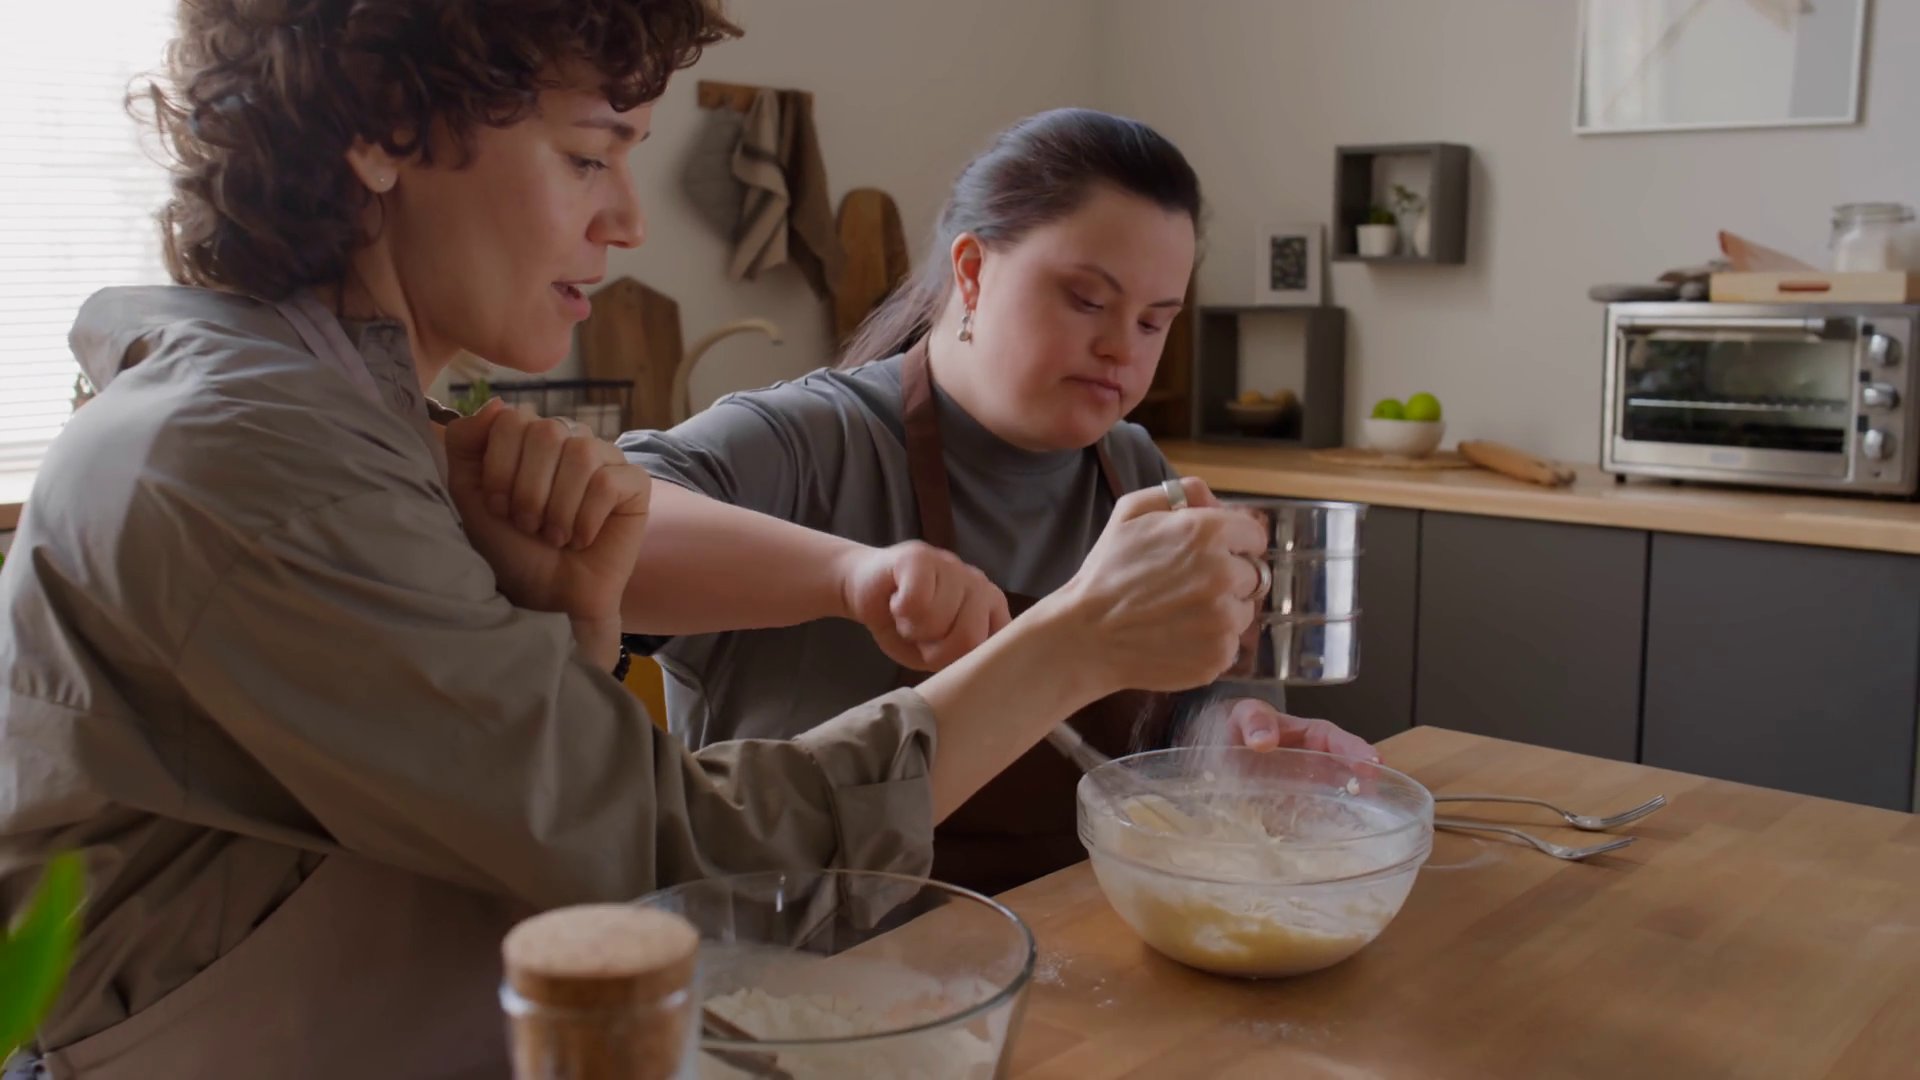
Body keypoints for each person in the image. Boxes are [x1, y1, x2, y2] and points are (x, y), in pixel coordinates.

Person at [0, 4, 1271, 1077]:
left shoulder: (357, 424)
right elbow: (662, 868)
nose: (627, 221)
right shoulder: (258, 458)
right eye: (588, 156)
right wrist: (1068, 641)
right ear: (384, 126)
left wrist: (564, 619)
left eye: (1154, 317)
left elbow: (479, 816)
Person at [613, 108, 1375, 895]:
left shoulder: (1137, 472)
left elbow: (1180, 709)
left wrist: (1225, 739)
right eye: (1087, 300)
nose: (1122, 347)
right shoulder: (812, 442)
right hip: (813, 958)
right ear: (973, 273)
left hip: (1072, 949)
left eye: (1154, 322)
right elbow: (600, 528)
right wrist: (852, 575)